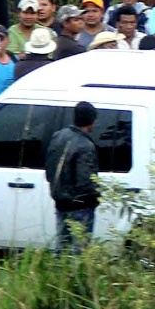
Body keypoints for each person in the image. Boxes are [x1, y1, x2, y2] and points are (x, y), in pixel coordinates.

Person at [43, 100, 101, 251]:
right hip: (80, 207)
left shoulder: (58, 137)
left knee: (61, 248)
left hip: (60, 202)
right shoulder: (86, 146)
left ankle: (58, 273)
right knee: (79, 252)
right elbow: (86, 182)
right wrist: (95, 198)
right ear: (91, 121)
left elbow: (49, 168)